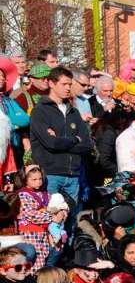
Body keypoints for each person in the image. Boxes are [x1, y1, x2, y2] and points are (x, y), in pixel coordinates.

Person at [29, 67, 93, 209]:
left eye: (70, 84)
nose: (68, 88)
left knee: (71, 223)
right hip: (50, 174)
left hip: (73, 175)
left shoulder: (74, 112)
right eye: (64, 84)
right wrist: (75, 139)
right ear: (51, 84)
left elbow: (87, 145)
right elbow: (50, 143)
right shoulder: (40, 111)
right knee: (51, 219)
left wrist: (60, 141)